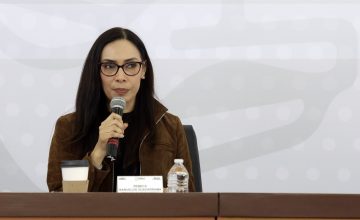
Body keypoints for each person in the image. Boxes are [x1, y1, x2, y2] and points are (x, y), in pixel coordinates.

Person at [47, 27, 195, 192]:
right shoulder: (68, 127)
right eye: (110, 66)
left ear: (144, 70)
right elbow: (58, 200)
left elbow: (192, 199)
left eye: (131, 65)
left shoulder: (170, 126)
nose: (120, 77)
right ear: (97, 72)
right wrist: (98, 152)